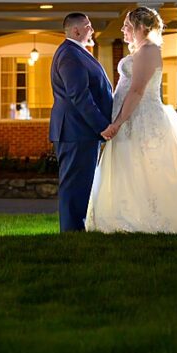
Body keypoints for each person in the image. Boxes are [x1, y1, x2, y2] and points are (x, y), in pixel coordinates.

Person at [85, 7, 177, 235]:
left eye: (127, 26)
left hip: (141, 119)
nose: (123, 30)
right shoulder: (141, 51)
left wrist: (118, 123)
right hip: (129, 117)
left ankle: (150, 221)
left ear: (141, 27)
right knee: (128, 167)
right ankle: (124, 217)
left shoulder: (149, 51)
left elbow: (137, 91)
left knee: (144, 167)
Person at [49, 13, 113, 231]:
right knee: (74, 186)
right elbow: (79, 95)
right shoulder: (70, 55)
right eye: (88, 26)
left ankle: (76, 230)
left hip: (79, 131)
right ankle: (72, 233)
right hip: (75, 130)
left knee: (81, 185)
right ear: (76, 31)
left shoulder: (76, 52)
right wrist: (102, 126)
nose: (92, 30)